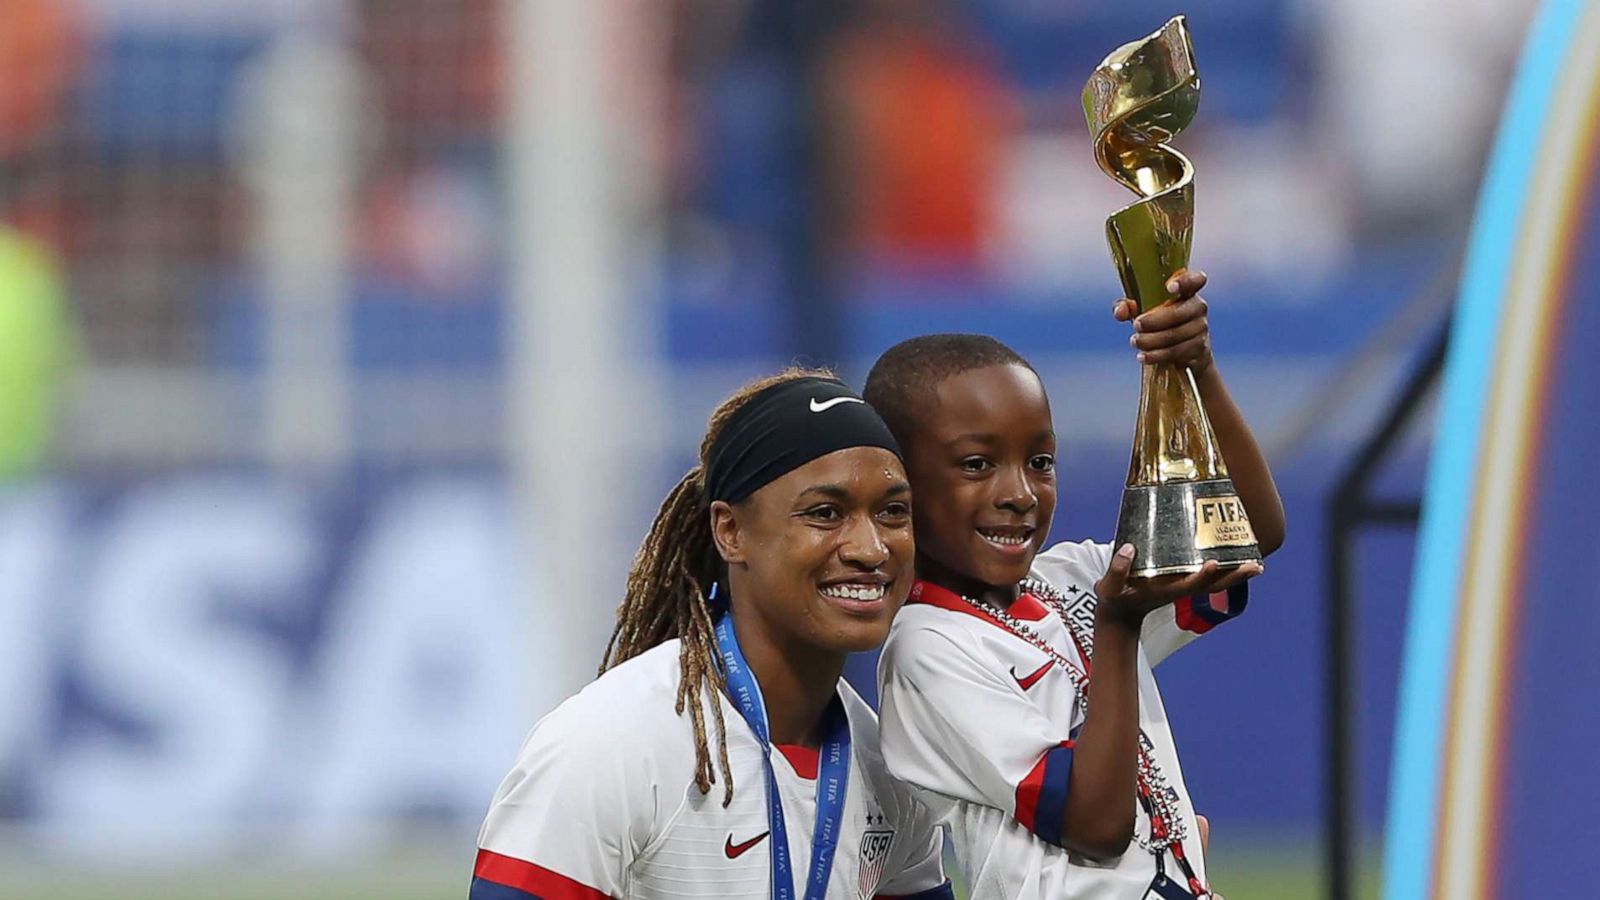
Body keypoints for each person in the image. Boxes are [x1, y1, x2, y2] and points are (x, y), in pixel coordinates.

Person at [864, 270, 1286, 899]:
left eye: (1040, 462)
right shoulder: (926, 648)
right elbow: (1094, 824)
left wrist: (1192, 370)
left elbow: (1246, 529)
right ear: (899, 484)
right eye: (977, 465)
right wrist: (1116, 628)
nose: (1018, 493)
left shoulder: (1075, 577)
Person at [472, 369, 953, 900]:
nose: (870, 548)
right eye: (825, 513)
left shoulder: (889, 768)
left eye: (892, 512)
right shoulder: (610, 745)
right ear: (731, 532)